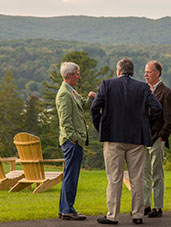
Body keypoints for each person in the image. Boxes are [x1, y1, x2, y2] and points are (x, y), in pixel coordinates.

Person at [91, 58, 162, 225]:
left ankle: (112, 215)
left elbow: (95, 108)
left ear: (118, 71)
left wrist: (101, 127)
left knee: (114, 178)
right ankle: (137, 215)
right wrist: (146, 125)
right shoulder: (142, 87)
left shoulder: (107, 85)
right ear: (133, 71)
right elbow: (157, 108)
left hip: (113, 138)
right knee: (137, 178)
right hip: (137, 138)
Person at [56, 62, 96, 220]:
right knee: (71, 176)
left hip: (74, 141)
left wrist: (91, 98)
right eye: (77, 74)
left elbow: (83, 106)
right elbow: (65, 122)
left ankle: (64, 208)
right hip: (72, 142)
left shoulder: (71, 91)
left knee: (69, 175)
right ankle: (68, 210)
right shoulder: (64, 94)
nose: (79, 77)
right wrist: (74, 139)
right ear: (69, 75)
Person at [144, 61, 171, 218]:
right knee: (144, 173)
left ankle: (158, 207)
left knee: (157, 173)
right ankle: (145, 205)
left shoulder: (167, 93)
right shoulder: (144, 91)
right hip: (144, 138)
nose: (146, 74)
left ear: (157, 73)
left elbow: (169, 120)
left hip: (157, 138)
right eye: (145, 72)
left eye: (149, 72)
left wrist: (162, 137)